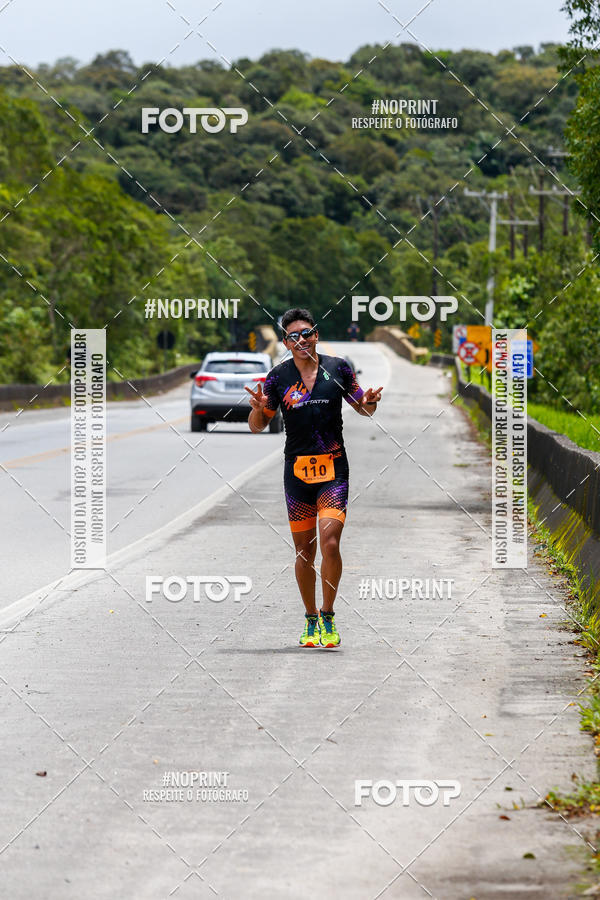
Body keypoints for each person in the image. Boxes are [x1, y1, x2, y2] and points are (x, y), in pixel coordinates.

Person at [245, 308, 383, 648]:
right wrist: (259, 408)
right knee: (304, 551)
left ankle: (328, 613)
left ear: (316, 335)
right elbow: (258, 425)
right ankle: (309, 618)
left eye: (306, 333)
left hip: (334, 470)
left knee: (330, 542)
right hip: (297, 474)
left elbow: (362, 408)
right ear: (286, 343)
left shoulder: (338, 369)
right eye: (293, 336)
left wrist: (369, 402)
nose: (301, 340)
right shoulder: (278, 378)